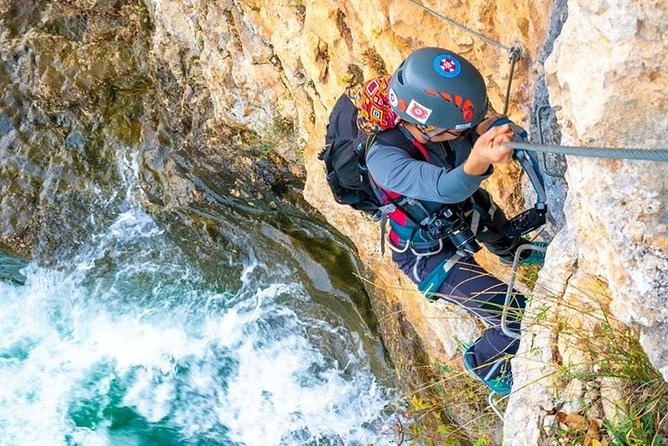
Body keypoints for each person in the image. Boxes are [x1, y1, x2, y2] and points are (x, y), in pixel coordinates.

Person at [364, 47, 536, 396]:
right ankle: (485, 362)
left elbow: (484, 123)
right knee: (514, 313)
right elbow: (445, 187)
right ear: (426, 127)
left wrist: (499, 128)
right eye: (461, 130)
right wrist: (478, 158)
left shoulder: (444, 115)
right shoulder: (384, 158)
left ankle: (515, 250)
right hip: (426, 256)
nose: (469, 131)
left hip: (461, 213)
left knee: (491, 220)